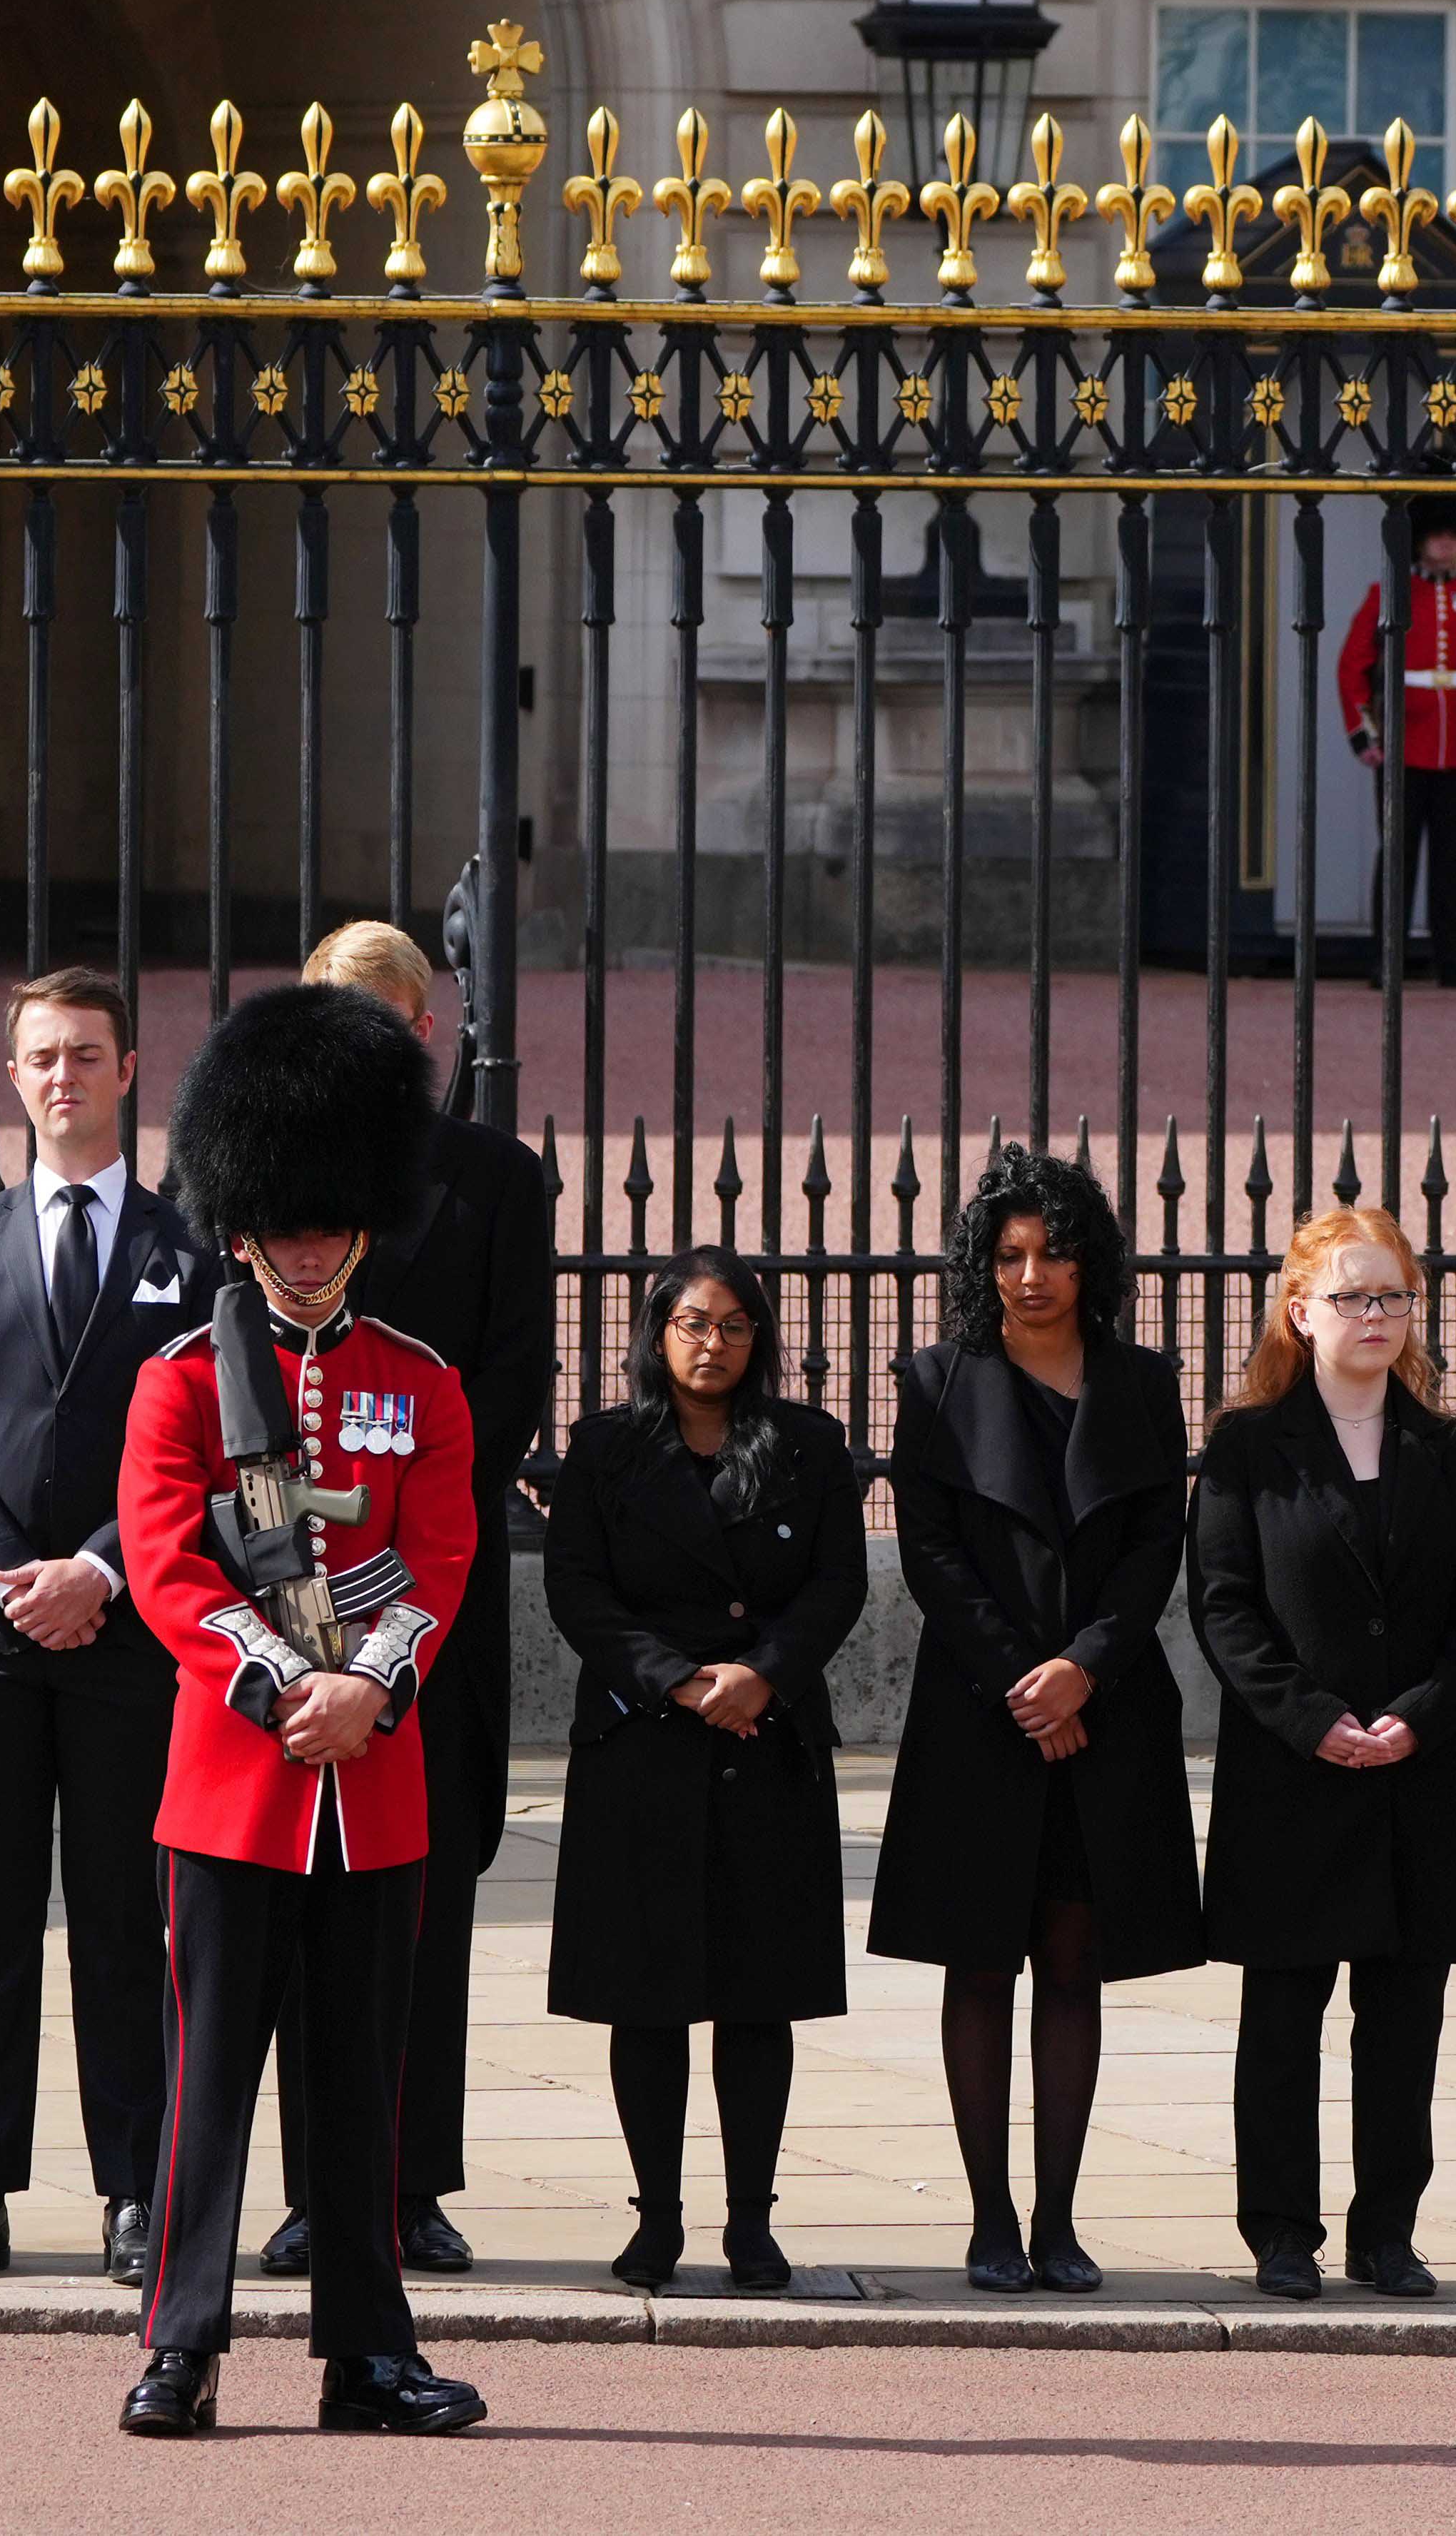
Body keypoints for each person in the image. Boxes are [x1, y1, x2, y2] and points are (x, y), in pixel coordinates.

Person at [115, 981, 488, 2442]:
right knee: (208, 2087)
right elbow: (165, 1559)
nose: (313, 1244)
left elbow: (442, 1553)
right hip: (236, 1778)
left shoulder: (418, 1382)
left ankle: (368, 2350)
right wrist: (284, 1686)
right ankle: (180, 2343)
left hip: (371, 1783)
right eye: (290, 1221)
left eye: (333, 1220)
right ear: (245, 1218)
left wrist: (369, 1679)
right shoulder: (183, 1381)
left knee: (359, 2090)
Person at [0, 969, 213, 2290]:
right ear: (11, 1076)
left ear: (129, 1067)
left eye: (84, 1051)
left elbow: (215, 1445)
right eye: (39, 1054)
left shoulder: (191, 1249)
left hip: (134, 1632)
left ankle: (134, 2188)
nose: (62, 1073)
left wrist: (101, 1567)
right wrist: (16, 1569)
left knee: (126, 1921)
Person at [269, 916, 558, 2282]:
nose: (370, 1039)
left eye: (389, 1016)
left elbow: (512, 1368)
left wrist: (410, 1516)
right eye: (343, 1015)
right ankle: (310, 2184)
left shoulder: (500, 1176)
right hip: (288, 1581)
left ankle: (411, 2177)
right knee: (293, 1888)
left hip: (432, 1572)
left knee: (423, 1890)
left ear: (423, 1028)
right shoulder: (274, 1164)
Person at [873, 1143, 1200, 2295]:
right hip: (980, 1712)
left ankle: (1058, 2217)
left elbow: (1158, 1540)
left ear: (1090, 1260)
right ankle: (988, 2217)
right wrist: (1027, 1678)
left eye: (1054, 1249)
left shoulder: (1144, 1380)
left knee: (1073, 1957)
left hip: (1103, 1712)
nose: (1031, 1273)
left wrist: (1085, 1669)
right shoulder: (934, 1379)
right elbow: (932, 1553)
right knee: (980, 1959)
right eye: (1008, 1253)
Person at [1193, 1203, 1456, 2301]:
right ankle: (1281, 2229)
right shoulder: (1245, 1445)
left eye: (1392, 1295)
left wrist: (1420, 1713)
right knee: (1281, 2011)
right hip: (1290, 1771)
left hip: (1414, 1775)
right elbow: (1223, 1607)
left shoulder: (1449, 1446)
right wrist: (1307, 1715)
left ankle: (1387, 2228)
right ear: (1299, 1310)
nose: (1375, 1314)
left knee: (1402, 2015)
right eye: (1351, 1295)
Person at [544, 1248, 867, 2294]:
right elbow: (577, 1590)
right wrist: (677, 1677)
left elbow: (834, 1583)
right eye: (690, 1321)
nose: (710, 1342)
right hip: (642, 1741)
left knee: (754, 1994)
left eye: (731, 1324)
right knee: (647, 1997)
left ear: (757, 1337)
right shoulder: (602, 1448)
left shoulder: (808, 1445)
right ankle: (657, 2217)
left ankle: (750, 2220)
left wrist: (760, 1674)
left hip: (763, 1742)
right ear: (656, 1330)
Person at [1333, 509, 1456, 984]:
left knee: (1454, 858)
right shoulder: (1387, 594)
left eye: (1452, 536)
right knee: (1398, 854)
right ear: (1419, 544)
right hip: (1403, 744)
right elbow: (1352, 665)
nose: (1446, 544)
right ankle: (1386, 958)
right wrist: (1365, 733)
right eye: (1438, 536)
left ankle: (1452, 958)